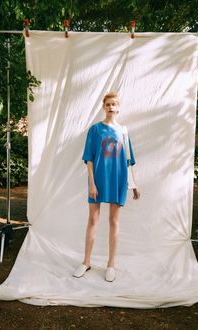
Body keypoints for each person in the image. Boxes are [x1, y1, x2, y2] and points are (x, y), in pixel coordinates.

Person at [73, 92, 140, 282]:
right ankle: (86, 262)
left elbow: (129, 161)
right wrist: (92, 183)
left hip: (118, 180)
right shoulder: (95, 130)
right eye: (108, 104)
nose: (111, 107)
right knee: (93, 220)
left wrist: (134, 185)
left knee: (114, 222)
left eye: (114, 104)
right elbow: (89, 159)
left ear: (118, 108)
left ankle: (111, 265)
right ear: (104, 107)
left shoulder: (124, 132)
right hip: (98, 181)